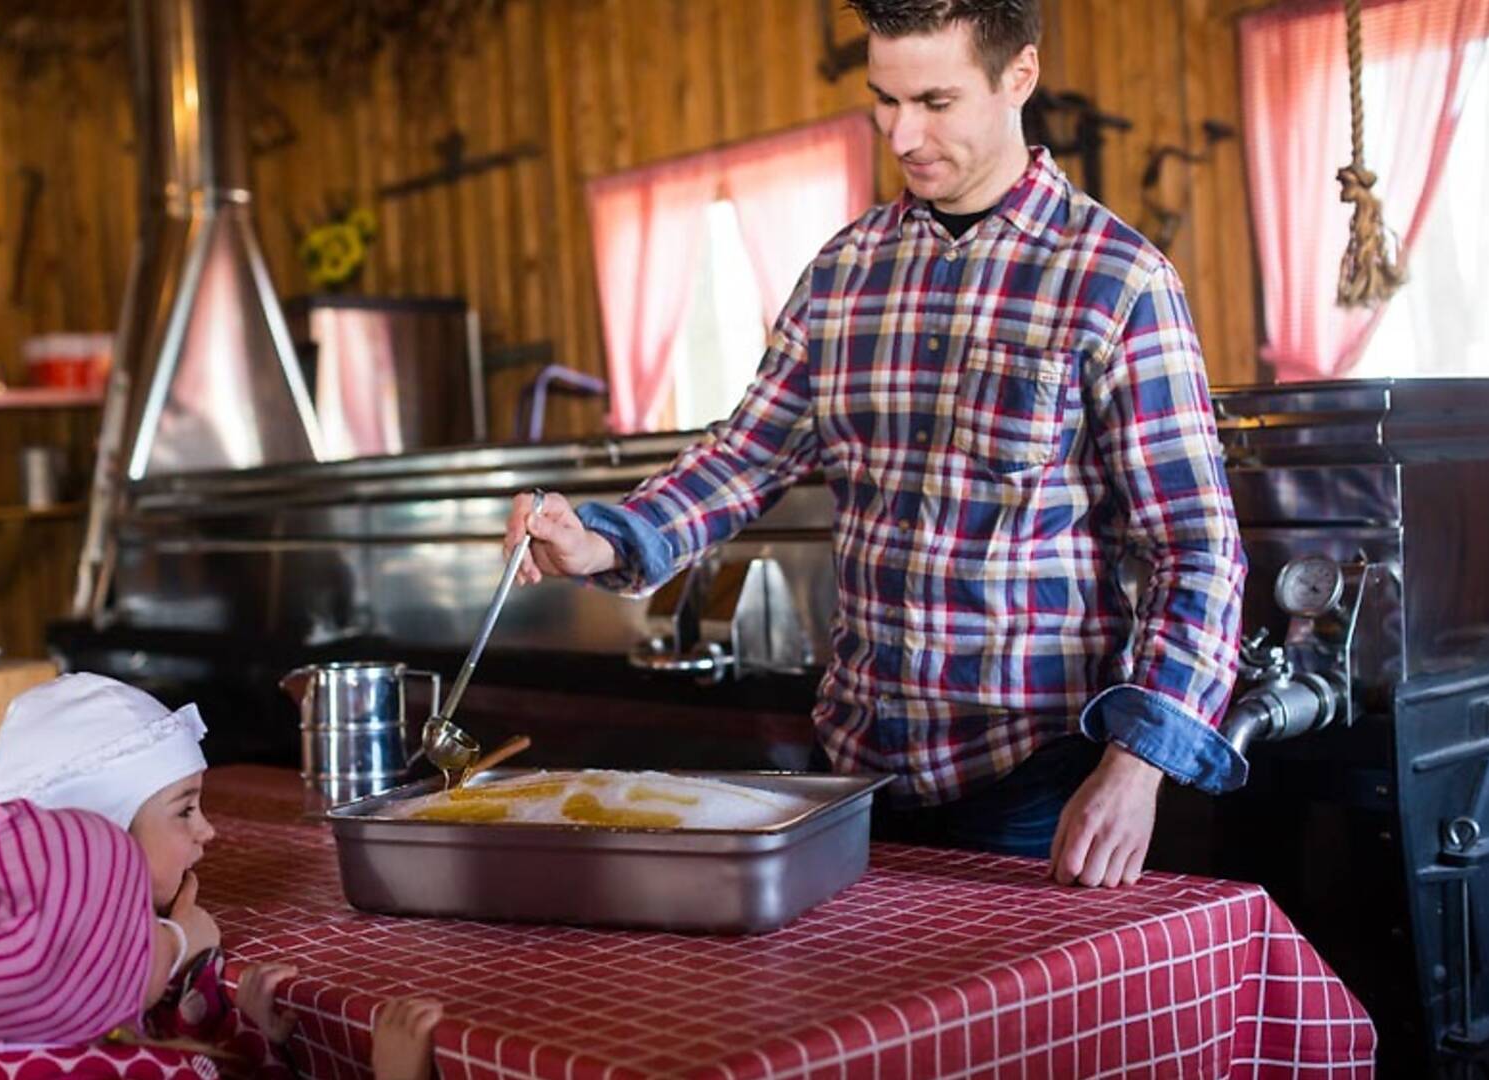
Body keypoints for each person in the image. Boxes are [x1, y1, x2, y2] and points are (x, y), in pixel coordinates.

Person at [503, 0, 1246, 890]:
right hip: (853, 771)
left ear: (1020, 77)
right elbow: (744, 455)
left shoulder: (1118, 282)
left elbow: (1195, 549)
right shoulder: (841, 275)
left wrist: (1138, 765)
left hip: (1031, 786)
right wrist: (603, 539)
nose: (903, 134)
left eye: (935, 101)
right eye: (884, 101)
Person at [0, 797, 291, 1078]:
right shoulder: (150, 1072)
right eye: (146, 918)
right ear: (101, 978)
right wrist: (257, 1037)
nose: (164, 931)